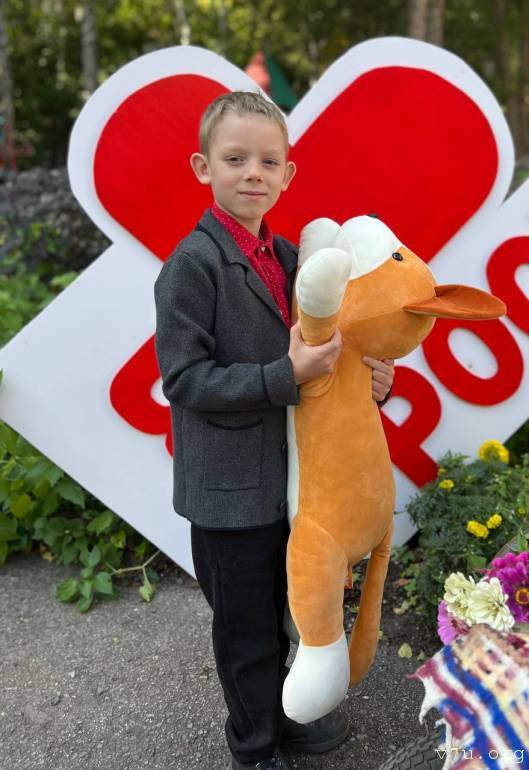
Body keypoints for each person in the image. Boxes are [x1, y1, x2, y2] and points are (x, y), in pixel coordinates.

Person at [153, 90, 394, 770]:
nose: (251, 174)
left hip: (290, 483)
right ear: (203, 167)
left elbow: (335, 344)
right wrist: (282, 376)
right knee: (244, 630)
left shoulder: (289, 257)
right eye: (235, 159)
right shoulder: (191, 266)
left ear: (287, 175)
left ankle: (282, 718)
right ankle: (253, 745)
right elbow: (185, 380)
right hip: (228, 493)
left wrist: (372, 376)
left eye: (267, 162)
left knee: (287, 609)